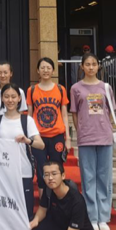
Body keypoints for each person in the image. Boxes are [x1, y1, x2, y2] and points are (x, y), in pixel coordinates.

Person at [0, 83, 44, 230]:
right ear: (2, 99)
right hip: (3, 174)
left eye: (14, 96)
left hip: (23, 173)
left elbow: (40, 144)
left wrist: (27, 141)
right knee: (5, 214)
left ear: (19, 98)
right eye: (7, 96)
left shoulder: (26, 120)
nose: (10, 100)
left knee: (24, 214)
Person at [70, 52, 115, 230]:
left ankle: (103, 217)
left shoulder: (106, 87)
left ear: (98, 66)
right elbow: (74, 113)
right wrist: (81, 130)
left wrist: (105, 127)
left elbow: (110, 111)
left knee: (104, 177)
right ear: (82, 66)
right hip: (86, 137)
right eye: (87, 64)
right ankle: (92, 216)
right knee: (88, 178)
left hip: (104, 136)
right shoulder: (76, 88)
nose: (90, 67)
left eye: (94, 64)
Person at [27, 57, 71, 192]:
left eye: (48, 68)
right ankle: (44, 203)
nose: (45, 70)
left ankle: (56, 202)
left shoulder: (60, 89)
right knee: (41, 171)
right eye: (42, 68)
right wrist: (29, 137)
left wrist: (68, 138)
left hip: (57, 135)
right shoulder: (32, 90)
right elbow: (29, 115)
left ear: (53, 70)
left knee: (56, 170)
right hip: (38, 137)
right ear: (37, 71)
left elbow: (64, 114)